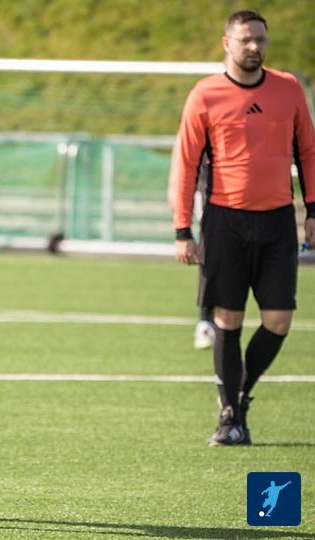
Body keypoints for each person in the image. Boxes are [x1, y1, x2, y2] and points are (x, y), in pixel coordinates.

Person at [172, 10, 315, 447]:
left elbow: (308, 151)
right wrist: (182, 228)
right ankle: (230, 415)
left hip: (277, 221)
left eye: (260, 39)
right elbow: (186, 163)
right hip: (225, 221)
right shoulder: (205, 94)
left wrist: (312, 210)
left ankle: (241, 395)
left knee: (278, 321)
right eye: (246, 39)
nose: (254, 46)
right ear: (227, 43)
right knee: (227, 319)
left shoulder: (288, 89)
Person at [168, 143, 215, 350]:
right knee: (211, 248)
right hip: (208, 183)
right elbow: (183, 147)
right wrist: (173, 185)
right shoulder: (200, 118)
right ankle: (206, 320)